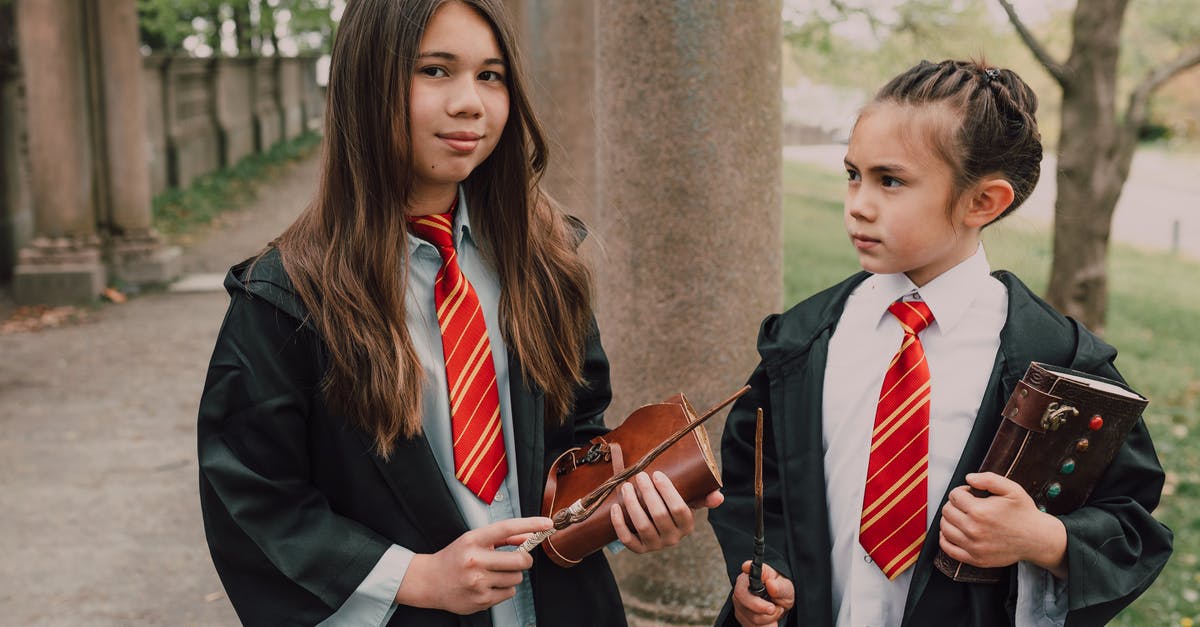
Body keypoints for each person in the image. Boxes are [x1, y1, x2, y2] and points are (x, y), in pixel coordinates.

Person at [197, 1, 721, 625]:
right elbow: (254, 498)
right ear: (367, 83)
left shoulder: (546, 263)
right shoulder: (287, 298)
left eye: (490, 75)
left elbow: (576, 439)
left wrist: (623, 512)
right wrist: (415, 576)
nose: (470, 102)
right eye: (436, 71)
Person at [709, 59, 1171, 627]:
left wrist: (1043, 539)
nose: (858, 202)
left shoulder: (1057, 362)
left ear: (984, 202)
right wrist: (765, 569)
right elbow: (756, 477)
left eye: (891, 180)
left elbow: (1130, 521)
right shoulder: (804, 342)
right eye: (853, 173)